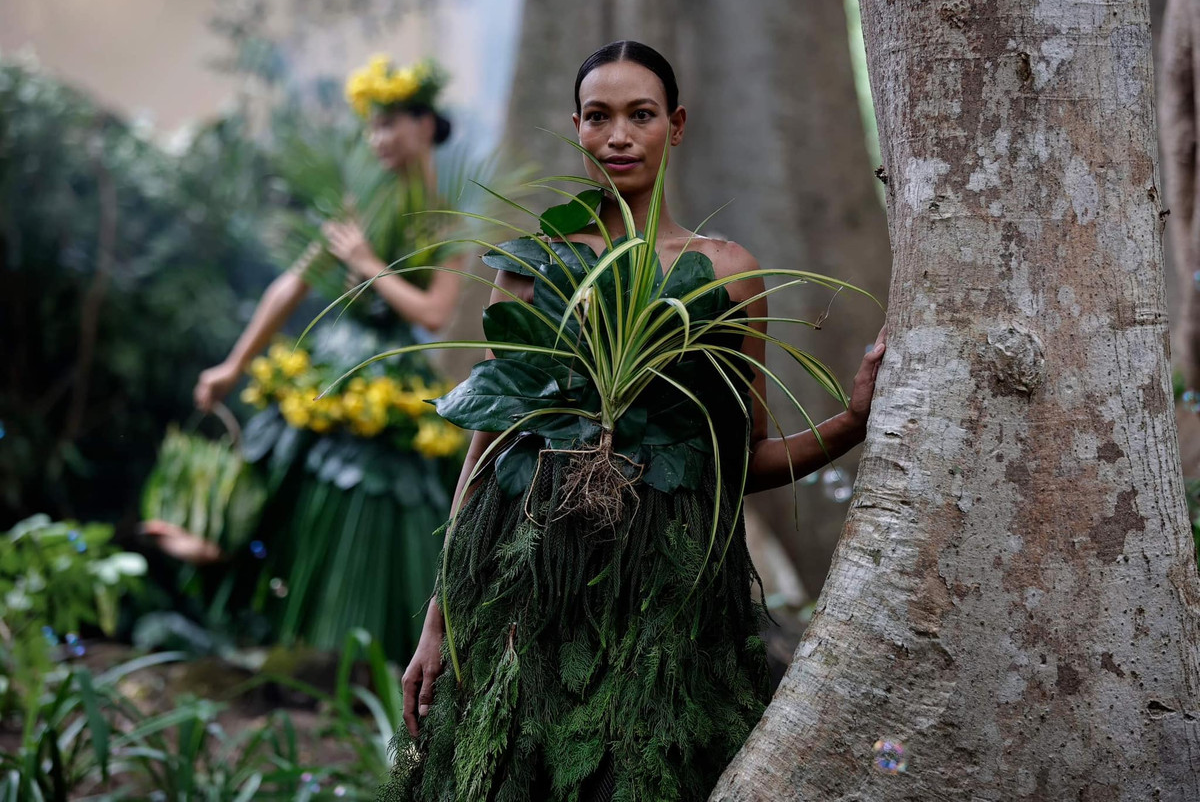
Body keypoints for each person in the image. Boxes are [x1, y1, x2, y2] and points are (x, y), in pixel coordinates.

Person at [382, 41, 886, 802]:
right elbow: (489, 442)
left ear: (674, 126)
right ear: (577, 127)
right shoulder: (530, 264)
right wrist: (440, 617)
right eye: (599, 116)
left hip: (666, 606)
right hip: (528, 582)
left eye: (639, 115)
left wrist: (851, 421)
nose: (618, 134)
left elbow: (738, 460)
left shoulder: (726, 273)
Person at [144, 55, 468, 660]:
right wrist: (234, 366)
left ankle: (357, 654)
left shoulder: (443, 218)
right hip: (331, 364)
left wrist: (369, 265)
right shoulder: (354, 207)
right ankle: (260, 614)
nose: (379, 138)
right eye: (372, 126)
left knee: (379, 506)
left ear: (425, 126)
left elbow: (434, 313)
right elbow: (290, 287)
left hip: (393, 378)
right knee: (275, 469)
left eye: (392, 123)